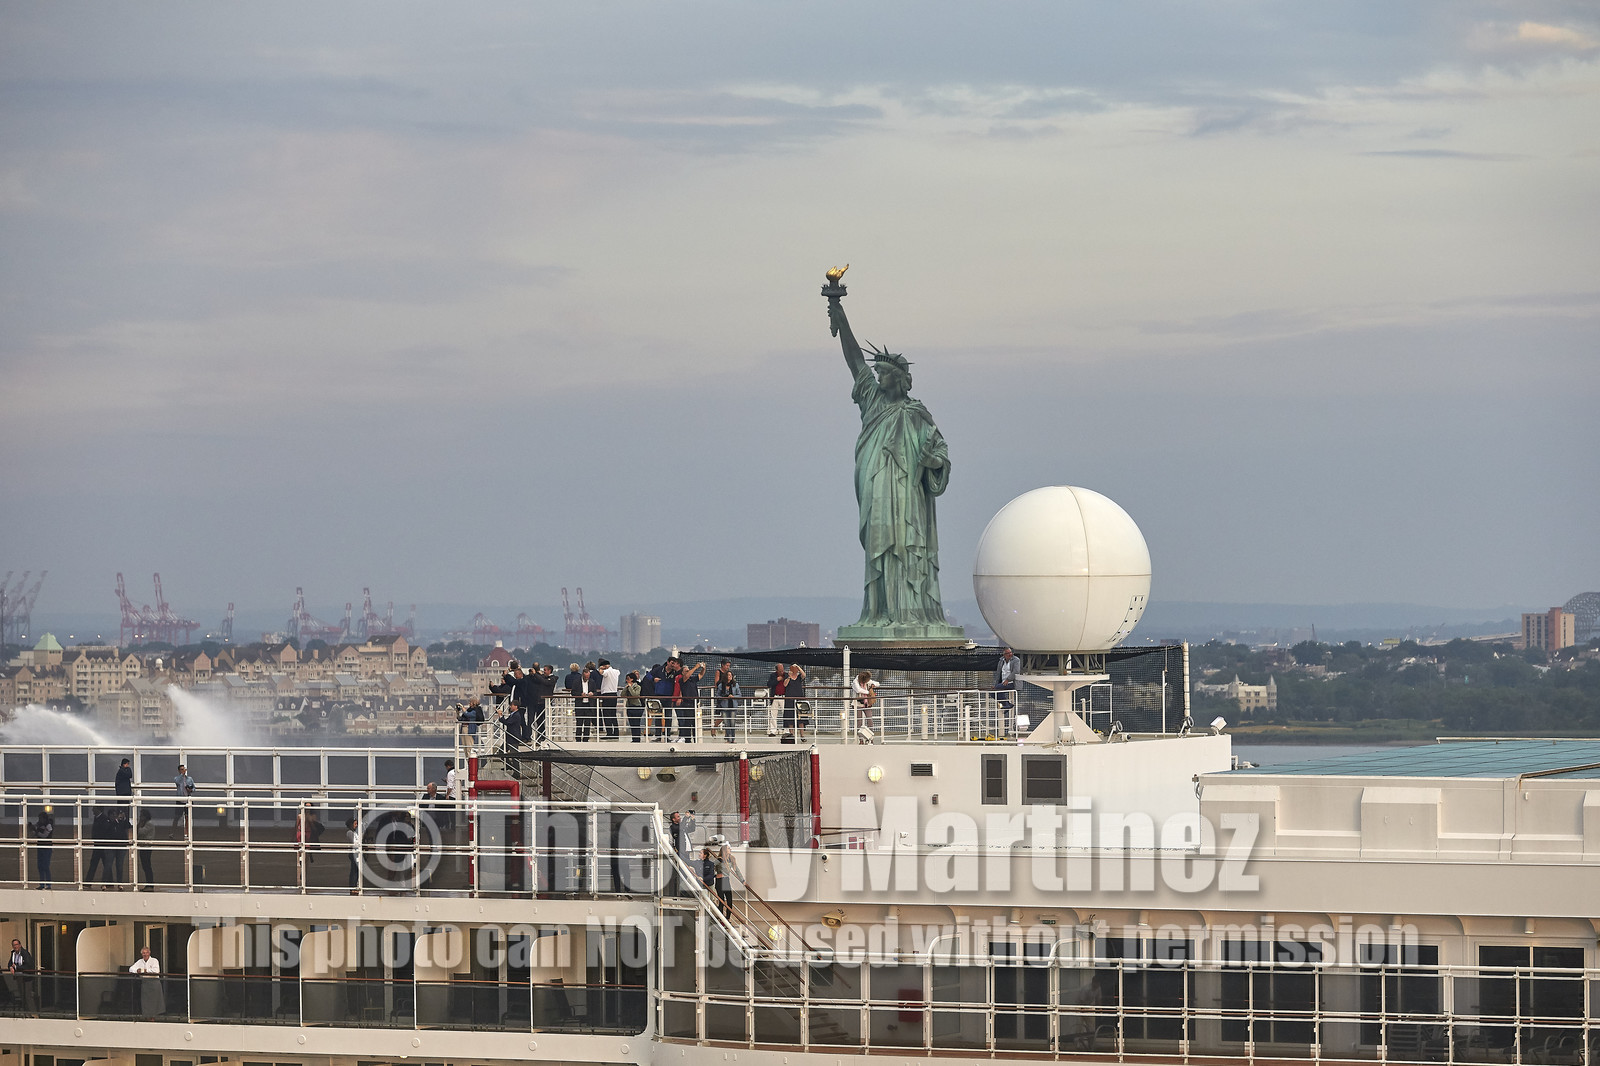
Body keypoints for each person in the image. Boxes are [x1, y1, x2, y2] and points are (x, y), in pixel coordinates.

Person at [129, 945, 163, 1019]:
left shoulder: (154, 960)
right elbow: (131, 969)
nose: (145, 954)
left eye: (146, 953)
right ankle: (146, 1017)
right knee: (145, 1002)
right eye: (143, 953)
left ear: (149, 953)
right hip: (145, 983)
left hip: (154, 983)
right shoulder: (140, 961)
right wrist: (136, 970)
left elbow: (156, 971)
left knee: (154, 1002)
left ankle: (154, 1018)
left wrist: (145, 970)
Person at [676, 660, 706, 742]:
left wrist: (703, 668)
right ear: (682, 673)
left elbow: (700, 675)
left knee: (695, 722)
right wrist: (696, 667)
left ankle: (696, 739)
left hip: (695, 703)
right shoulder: (682, 680)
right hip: (687, 703)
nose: (688, 672)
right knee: (688, 722)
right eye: (686, 671)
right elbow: (686, 676)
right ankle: (688, 740)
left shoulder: (692, 679)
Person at [713, 661, 742, 742]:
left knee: (732, 723)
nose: (729, 677)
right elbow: (717, 696)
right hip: (724, 706)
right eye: (728, 675)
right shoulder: (721, 685)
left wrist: (733, 697)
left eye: (731, 675)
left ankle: (732, 739)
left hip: (733, 706)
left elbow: (739, 695)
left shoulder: (735, 685)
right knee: (726, 723)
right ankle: (728, 739)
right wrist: (723, 698)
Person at [6, 938, 36, 1013]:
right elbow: (10, 963)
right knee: (22, 995)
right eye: (13, 945)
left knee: (27, 996)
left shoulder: (25, 953)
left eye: (16, 944)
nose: (15, 946)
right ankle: (26, 1013)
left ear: (20, 945)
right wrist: (10, 967)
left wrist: (16, 967)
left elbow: (29, 965)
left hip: (27, 977)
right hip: (19, 977)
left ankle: (34, 1013)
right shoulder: (13, 953)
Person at [597, 658, 621, 738]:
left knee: (606, 714)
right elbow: (618, 672)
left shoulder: (607, 672)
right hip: (614, 694)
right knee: (613, 714)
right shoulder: (616, 671)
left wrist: (601, 668)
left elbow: (601, 673)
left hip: (607, 695)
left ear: (604, 666)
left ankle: (609, 733)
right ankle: (616, 732)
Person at [171, 763, 195, 836]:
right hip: (180, 800)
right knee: (177, 817)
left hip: (188, 800)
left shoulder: (190, 779)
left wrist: (190, 790)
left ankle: (187, 832)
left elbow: (194, 788)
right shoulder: (177, 778)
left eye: (184, 769)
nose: (183, 771)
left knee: (188, 817)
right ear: (179, 771)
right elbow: (177, 781)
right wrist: (182, 775)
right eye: (181, 770)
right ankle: (173, 832)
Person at [32, 809, 54, 889]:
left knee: (46, 866)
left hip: (47, 848)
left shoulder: (49, 825)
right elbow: (35, 833)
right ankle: (41, 884)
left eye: (41, 818)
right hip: (40, 847)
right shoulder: (39, 824)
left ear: (44, 818)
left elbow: (45, 836)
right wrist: (33, 829)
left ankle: (48, 884)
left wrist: (37, 832)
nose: (39, 820)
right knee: (40, 866)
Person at [853, 670, 880, 735]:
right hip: (858, 704)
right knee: (859, 721)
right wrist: (869, 692)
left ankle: (870, 736)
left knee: (869, 719)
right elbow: (858, 690)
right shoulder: (855, 682)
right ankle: (860, 738)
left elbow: (878, 683)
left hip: (867, 704)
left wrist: (873, 684)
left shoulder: (867, 681)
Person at [135, 807, 155, 889]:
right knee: (145, 866)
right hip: (143, 847)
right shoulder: (145, 824)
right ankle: (149, 884)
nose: (140, 817)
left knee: (147, 866)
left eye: (141, 815)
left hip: (146, 847)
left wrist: (139, 824)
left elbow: (141, 832)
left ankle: (150, 884)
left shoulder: (149, 824)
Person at [786, 664, 808, 738]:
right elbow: (785, 684)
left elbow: (804, 675)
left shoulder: (799, 677)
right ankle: (791, 734)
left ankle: (802, 734)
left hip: (799, 699)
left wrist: (798, 667)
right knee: (790, 717)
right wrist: (789, 677)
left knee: (800, 717)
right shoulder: (787, 677)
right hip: (790, 700)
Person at [111, 808, 131, 887]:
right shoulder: (113, 822)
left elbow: (128, 826)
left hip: (122, 846)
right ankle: (108, 882)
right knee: (109, 864)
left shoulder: (124, 822)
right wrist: (116, 820)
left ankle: (120, 883)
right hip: (112, 846)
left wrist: (124, 818)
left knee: (120, 865)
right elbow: (112, 828)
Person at [623, 671, 644, 742]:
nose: (627, 680)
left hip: (636, 707)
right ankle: (634, 738)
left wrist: (630, 687)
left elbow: (635, 695)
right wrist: (626, 688)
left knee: (636, 723)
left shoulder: (638, 687)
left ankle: (637, 738)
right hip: (629, 706)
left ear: (632, 679)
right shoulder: (627, 687)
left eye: (628, 679)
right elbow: (622, 695)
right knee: (631, 723)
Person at [768, 663, 788, 735]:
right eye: (780, 671)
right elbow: (769, 684)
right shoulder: (773, 676)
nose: (781, 672)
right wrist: (777, 680)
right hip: (775, 697)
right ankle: (773, 730)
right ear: (777, 670)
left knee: (786, 713)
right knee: (773, 714)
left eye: (782, 670)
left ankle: (786, 730)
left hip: (784, 696)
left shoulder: (786, 675)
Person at [346, 817, 361, 891]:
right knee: (354, 871)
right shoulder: (350, 833)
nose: (356, 825)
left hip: (357, 853)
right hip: (353, 853)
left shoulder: (355, 833)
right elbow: (354, 843)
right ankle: (352, 886)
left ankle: (355, 885)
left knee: (356, 870)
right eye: (355, 824)